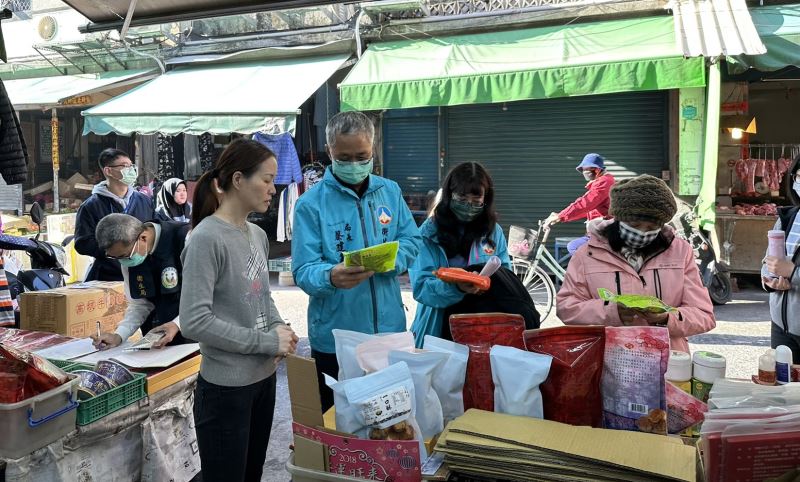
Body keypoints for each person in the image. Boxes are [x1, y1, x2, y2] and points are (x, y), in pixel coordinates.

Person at [180, 139, 299, 481]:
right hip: (225, 389)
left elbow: (262, 297)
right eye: (265, 179)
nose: (273, 189)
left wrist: (281, 331)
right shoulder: (206, 239)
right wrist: (265, 342)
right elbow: (194, 320)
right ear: (237, 180)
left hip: (263, 381)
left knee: (251, 474)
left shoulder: (257, 235)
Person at [292, 111, 422, 410]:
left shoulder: (389, 190)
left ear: (373, 150)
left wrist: (393, 259)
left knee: (391, 423)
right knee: (340, 425)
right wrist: (330, 276)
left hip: (388, 333)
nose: (354, 164)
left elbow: (412, 240)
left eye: (361, 156)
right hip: (336, 340)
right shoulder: (310, 205)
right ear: (330, 152)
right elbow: (303, 270)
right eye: (344, 157)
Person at [556, 174, 715, 353]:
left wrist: (667, 318)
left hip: (669, 363)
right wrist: (612, 312)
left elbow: (703, 315)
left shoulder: (680, 252)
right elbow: (567, 308)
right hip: (607, 361)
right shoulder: (587, 254)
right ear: (617, 218)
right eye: (634, 224)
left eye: (651, 227)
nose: (642, 233)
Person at [410, 162, 539, 344]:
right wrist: (456, 287)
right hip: (440, 328)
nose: (468, 207)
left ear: (485, 201)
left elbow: (504, 276)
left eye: (476, 202)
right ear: (448, 196)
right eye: (462, 200)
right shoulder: (428, 234)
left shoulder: (493, 232)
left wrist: (484, 282)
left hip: (484, 328)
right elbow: (422, 288)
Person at [90, 213, 190, 349]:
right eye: (116, 258)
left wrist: (177, 324)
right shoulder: (129, 258)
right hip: (161, 343)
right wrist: (119, 336)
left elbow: (211, 295)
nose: (122, 261)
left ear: (143, 237)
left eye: (124, 256)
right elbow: (140, 305)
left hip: (197, 339)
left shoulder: (186, 239)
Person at [75, 148, 154, 281]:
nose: (131, 170)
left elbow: (155, 227)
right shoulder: (91, 206)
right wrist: (115, 250)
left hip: (142, 273)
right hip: (109, 276)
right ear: (108, 171)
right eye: (124, 166)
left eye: (131, 166)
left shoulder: (143, 200)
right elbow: (82, 243)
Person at [762, 154, 800, 363]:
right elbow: (767, 260)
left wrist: (792, 273)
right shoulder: (788, 217)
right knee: (783, 390)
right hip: (781, 326)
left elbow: (788, 269)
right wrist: (770, 280)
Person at [545, 153, 615, 254]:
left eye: (587, 169)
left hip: (605, 234)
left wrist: (561, 216)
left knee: (574, 247)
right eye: (583, 169)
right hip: (601, 231)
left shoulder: (604, 182)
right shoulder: (602, 181)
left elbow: (585, 203)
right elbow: (587, 209)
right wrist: (560, 216)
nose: (585, 172)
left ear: (597, 169)